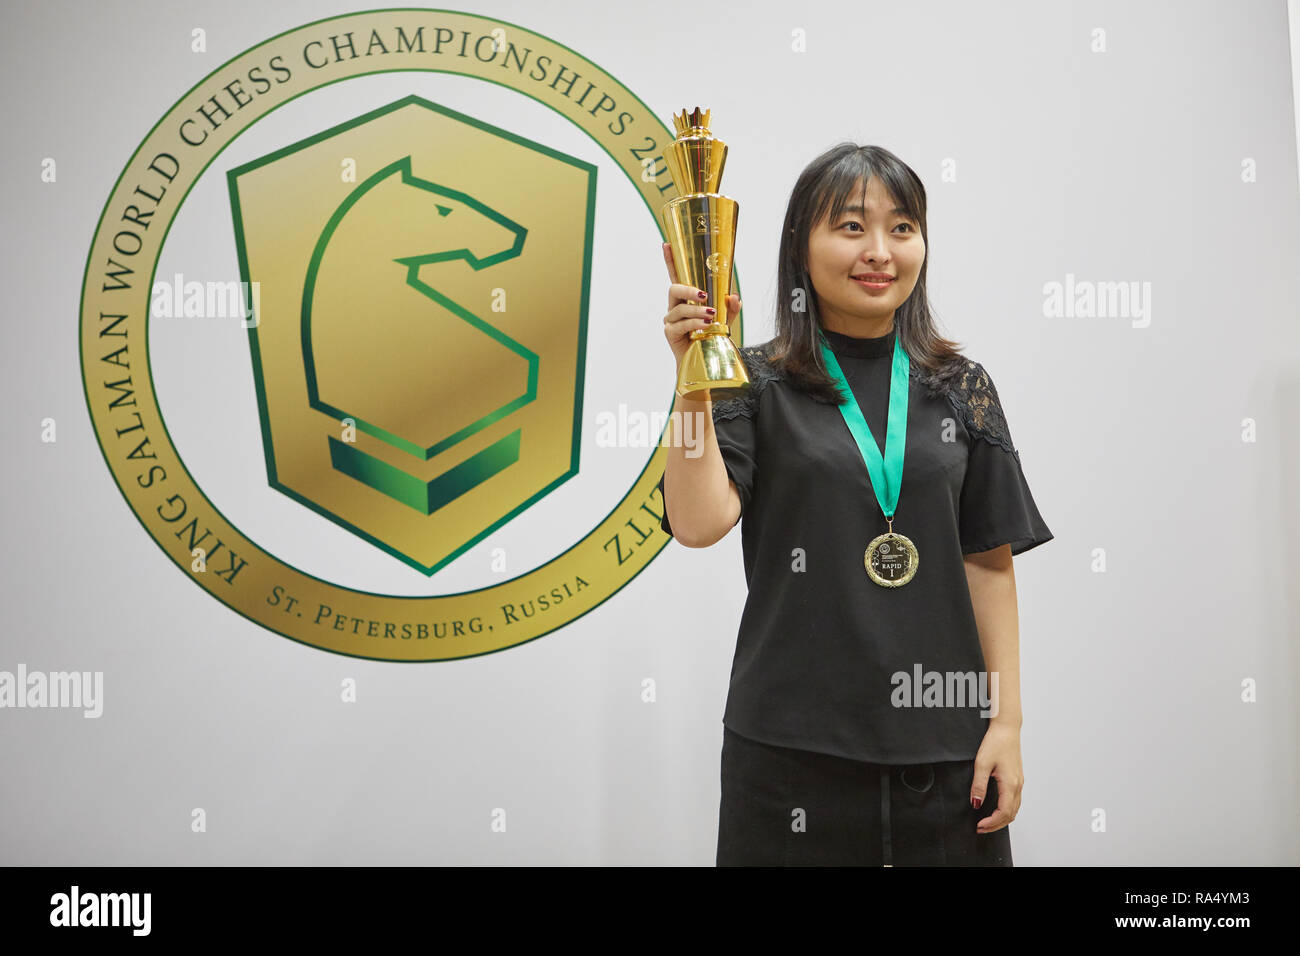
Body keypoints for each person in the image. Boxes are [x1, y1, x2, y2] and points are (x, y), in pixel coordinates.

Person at [656, 143, 1054, 867]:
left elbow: (988, 562)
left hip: (944, 748)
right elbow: (695, 523)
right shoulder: (754, 381)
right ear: (800, 249)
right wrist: (690, 380)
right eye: (850, 227)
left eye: (902, 228)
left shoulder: (962, 385)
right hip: (789, 756)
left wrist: (1007, 723)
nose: (879, 251)